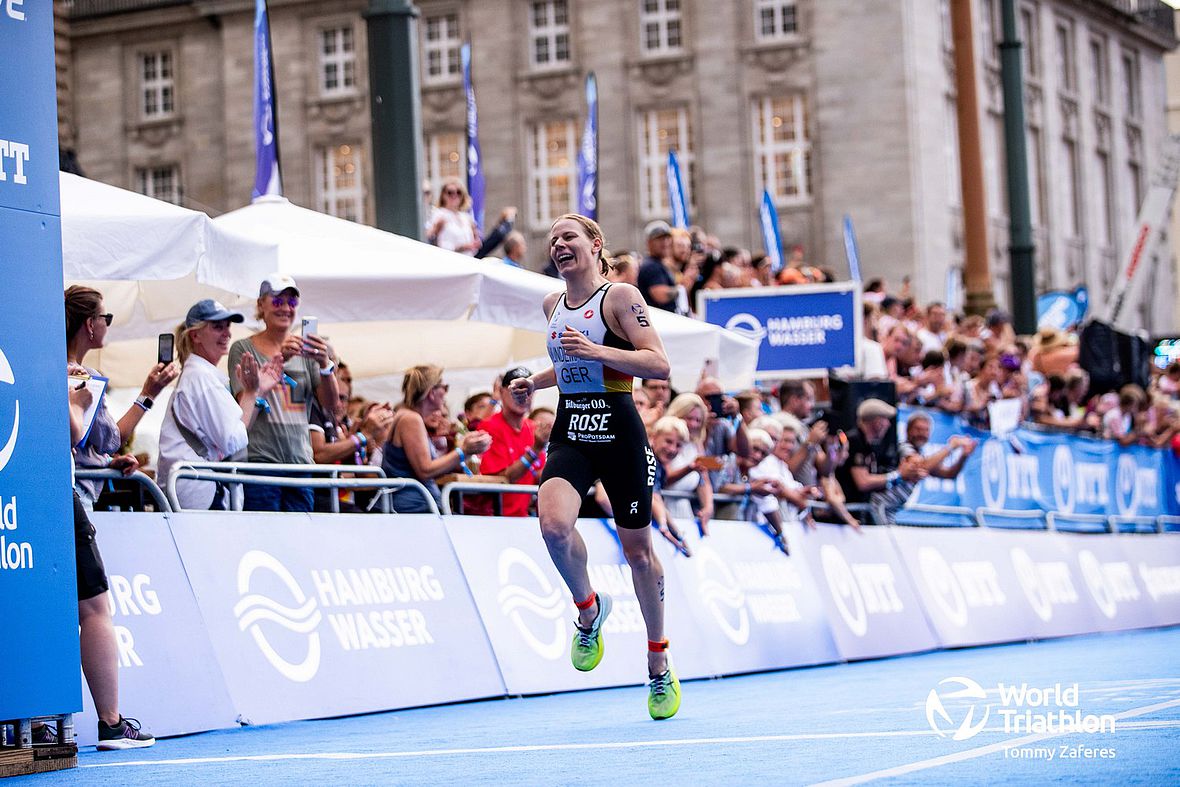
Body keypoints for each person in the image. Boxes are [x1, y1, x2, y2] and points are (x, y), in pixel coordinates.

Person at [508, 213, 680, 720]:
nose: (560, 245)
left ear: (595, 245)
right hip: (573, 427)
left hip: (620, 428)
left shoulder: (622, 297)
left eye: (570, 237)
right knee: (553, 527)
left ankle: (658, 660)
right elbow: (571, 364)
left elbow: (658, 363)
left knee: (639, 552)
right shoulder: (551, 303)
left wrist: (596, 349)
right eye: (553, 240)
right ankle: (588, 608)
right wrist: (534, 384)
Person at [63, 351, 155, 750]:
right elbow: (72, 433)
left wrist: (106, 461)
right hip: (52, 496)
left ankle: (38, 723)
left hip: (21, 498)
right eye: (103, 318)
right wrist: (77, 402)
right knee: (95, 609)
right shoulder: (54, 369)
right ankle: (112, 724)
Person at [228, 274, 340, 512]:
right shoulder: (243, 348)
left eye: (292, 303)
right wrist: (281, 359)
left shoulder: (307, 351)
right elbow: (243, 401)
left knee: (299, 539)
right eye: (278, 301)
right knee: (264, 537)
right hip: (260, 461)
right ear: (261, 305)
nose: (286, 308)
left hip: (300, 462)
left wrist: (324, 364)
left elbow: (330, 406)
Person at [157, 299, 283, 510]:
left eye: (227, 327)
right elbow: (233, 440)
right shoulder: (201, 378)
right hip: (198, 491)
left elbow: (233, 433)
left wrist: (256, 391)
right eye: (217, 327)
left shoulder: (201, 375)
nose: (227, 333)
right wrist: (252, 393)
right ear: (195, 335)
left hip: (195, 487)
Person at [65, 285, 178, 508]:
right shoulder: (87, 380)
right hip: (78, 492)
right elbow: (112, 440)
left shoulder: (49, 372)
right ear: (90, 324)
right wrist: (148, 394)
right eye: (106, 318)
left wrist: (106, 461)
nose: (108, 325)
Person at [383, 365, 492, 512]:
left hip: (416, 507)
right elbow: (425, 470)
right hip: (414, 510)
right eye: (444, 387)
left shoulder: (408, 417)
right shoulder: (411, 419)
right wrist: (463, 451)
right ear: (431, 392)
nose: (446, 392)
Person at [466, 367, 546, 517]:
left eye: (527, 390)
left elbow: (538, 476)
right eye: (515, 390)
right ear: (501, 392)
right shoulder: (489, 426)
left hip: (522, 517)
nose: (522, 396)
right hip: (494, 518)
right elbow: (504, 479)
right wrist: (534, 450)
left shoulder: (534, 428)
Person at [835, 399, 927, 524]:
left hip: (856, 514)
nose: (888, 425)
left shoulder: (868, 446)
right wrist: (898, 475)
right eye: (886, 420)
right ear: (877, 422)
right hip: (844, 516)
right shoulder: (855, 442)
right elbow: (863, 482)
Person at [425, 177, 481, 254]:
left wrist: (476, 241)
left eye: (458, 192)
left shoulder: (466, 217)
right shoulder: (438, 214)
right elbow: (428, 239)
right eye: (450, 192)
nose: (454, 195)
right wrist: (435, 229)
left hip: (468, 260)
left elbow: (475, 245)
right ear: (443, 195)